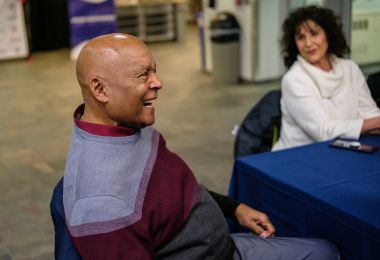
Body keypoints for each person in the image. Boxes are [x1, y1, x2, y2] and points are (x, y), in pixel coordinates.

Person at [58, 33, 339, 259]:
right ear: (100, 89)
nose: (159, 82)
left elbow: (171, 191)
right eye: (143, 75)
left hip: (222, 245)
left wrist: (235, 207)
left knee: (326, 251)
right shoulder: (102, 204)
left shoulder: (125, 125)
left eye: (154, 71)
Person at [272, 5, 380, 151]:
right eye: (301, 37)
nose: (308, 43)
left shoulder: (350, 69)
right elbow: (323, 131)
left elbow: (370, 114)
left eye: (314, 34)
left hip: (342, 151)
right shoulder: (294, 79)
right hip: (298, 159)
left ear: (328, 34)